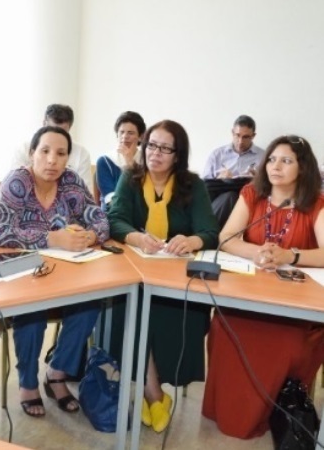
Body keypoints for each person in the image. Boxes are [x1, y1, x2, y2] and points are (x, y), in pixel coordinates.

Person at [202, 135, 324, 439]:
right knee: (224, 328)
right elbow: (227, 238)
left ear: (303, 167)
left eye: (286, 160)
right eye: (271, 159)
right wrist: (256, 253)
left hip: (295, 306)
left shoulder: (316, 204)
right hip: (248, 296)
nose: (275, 166)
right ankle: (228, 410)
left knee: (286, 343)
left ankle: (276, 412)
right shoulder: (252, 194)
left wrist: (289, 255)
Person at [107, 120, 219, 433]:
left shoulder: (191, 185)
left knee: (163, 310)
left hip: (174, 275)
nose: (155, 153)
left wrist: (192, 241)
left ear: (177, 155)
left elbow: (209, 231)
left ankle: (150, 390)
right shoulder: (131, 178)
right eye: (150, 145)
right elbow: (115, 220)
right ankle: (154, 393)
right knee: (133, 305)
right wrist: (136, 237)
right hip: (137, 270)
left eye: (164, 148)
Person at [0, 126, 109, 418]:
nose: (52, 160)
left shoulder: (71, 182)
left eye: (61, 153)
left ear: (68, 158)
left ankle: (56, 373)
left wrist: (89, 237)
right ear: (32, 154)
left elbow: (101, 220)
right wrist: (51, 238)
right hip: (25, 275)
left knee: (89, 304)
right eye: (44, 151)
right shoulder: (17, 181)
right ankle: (28, 382)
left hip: (67, 273)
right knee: (32, 313)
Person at [11, 104, 93, 193]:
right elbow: (14, 184)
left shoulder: (81, 153)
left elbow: (86, 193)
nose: (52, 160)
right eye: (51, 130)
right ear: (44, 124)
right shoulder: (24, 149)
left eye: (62, 133)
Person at [201, 115, 265, 227]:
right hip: (218, 200)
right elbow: (203, 188)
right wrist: (219, 179)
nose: (240, 141)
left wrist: (258, 179)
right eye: (237, 135)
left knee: (234, 197)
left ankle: (211, 234)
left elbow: (270, 188)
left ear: (253, 136)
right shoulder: (217, 155)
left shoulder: (263, 157)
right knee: (230, 196)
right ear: (232, 132)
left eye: (245, 137)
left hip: (249, 202)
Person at [95, 111, 146, 210]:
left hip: (140, 213)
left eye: (130, 133)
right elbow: (110, 198)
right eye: (121, 132)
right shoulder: (105, 161)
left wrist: (130, 162)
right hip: (113, 213)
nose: (125, 136)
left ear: (140, 137)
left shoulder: (147, 161)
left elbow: (145, 195)